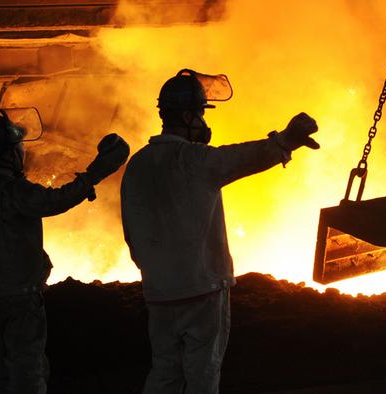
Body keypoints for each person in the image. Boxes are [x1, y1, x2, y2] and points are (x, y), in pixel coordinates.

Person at [120, 69, 320, 394]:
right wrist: (286, 140)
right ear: (187, 115)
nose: (202, 121)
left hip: (159, 292)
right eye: (199, 113)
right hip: (201, 290)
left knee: (165, 373)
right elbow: (243, 157)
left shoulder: (138, 164)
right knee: (203, 376)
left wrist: (155, 272)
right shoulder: (195, 160)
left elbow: (132, 231)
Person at [0, 109, 129, 394]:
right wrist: (93, 174)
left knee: (0, 370)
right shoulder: (12, 191)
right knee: (28, 373)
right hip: (21, 300)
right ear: (11, 152)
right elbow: (54, 201)